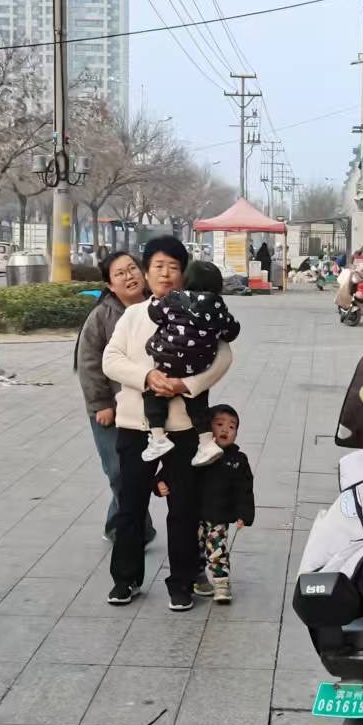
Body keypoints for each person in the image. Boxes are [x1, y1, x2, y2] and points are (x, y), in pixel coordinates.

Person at [102, 235, 233, 610]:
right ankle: (125, 580)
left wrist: (186, 385)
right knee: (130, 506)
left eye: (173, 267)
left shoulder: (201, 309)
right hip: (135, 427)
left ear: (183, 274)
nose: (165, 273)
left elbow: (224, 356)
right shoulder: (134, 315)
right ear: (147, 273)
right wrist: (146, 378)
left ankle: (182, 583)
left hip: (183, 429)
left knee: (183, 508)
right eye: (157, 266)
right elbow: (110, 359)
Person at [75, 249, 153, 543]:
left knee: (136, 473)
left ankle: (116, 524)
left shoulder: (158, 306)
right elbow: (89, 363)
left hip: (149, 407)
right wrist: (101, 405)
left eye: (132, 269)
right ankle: (136, 530)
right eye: (120, 273)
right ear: (109, 284)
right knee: (119, 471)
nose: (129, 276)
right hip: (110, 409)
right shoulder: (102, 316)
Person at [141, 259, 239, 466]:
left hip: (168, 361)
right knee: (198, 401)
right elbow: (231, 332)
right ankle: (206, 443)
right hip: (198, 367)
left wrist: (159, 304)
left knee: (153, 395)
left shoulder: (174, 298)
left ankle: (158, 438)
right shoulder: (219, 307)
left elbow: (154, 314)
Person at [194, 405, 255, 603]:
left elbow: (245, 488)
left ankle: (221, 583)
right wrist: (160, 482)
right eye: (219, 424)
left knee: (217, 549)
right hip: (194, 513)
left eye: (232, 427)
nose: (225, 430)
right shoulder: (199, 452)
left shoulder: (238, 460)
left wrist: (244, 514)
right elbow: (178, 472)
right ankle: (197, 578)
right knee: (193, 549)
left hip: (219, 516)